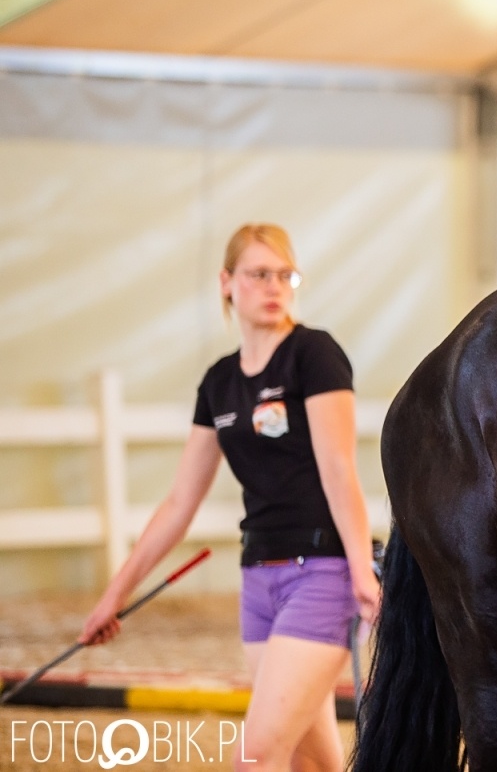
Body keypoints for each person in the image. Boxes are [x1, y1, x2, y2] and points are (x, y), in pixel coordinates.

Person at [78, 223, 380, 772]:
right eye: (259, 274)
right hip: (257, 581)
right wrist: (114, 596)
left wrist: (361, 570)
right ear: (226, 282)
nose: (274, 286)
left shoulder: (313, 354)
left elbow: (340, 470)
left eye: (285, 275)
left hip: (319, 573)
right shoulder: (218, 382)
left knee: (255, 757)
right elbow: (179, 504)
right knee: (310, 761)